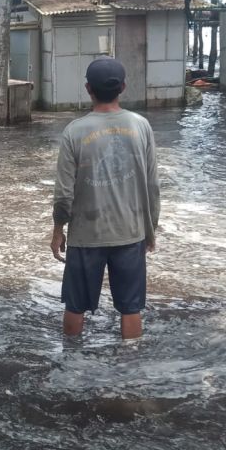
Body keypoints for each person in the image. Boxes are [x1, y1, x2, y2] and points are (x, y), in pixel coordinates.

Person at [50, 56, 160, 340]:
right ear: (123, 87)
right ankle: (130, 370)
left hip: (87, 235)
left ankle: (70, 368)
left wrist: (58, 230)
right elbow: (152, 186)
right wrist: (150, 229)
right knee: (131, 308)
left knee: (75, 305)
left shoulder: (74, 131)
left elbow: (64, 193)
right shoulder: (141, 126)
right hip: (130, 232)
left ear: (88, 88)